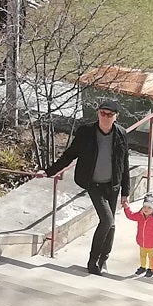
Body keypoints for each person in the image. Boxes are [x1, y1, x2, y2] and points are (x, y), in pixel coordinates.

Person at [44, 103, 133, 276]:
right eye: (102, 113)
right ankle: (93, 262)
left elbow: (124, 163)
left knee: (111, 225)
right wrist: (49, 172)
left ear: (116, 116)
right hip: (93, 184)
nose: (105, 117)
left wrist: (125, 192)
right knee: (107, 221)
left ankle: (103, 259)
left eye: (109, 114)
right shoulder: (86, 132)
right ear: (98, 114)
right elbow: (70, 155)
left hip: (113, 185)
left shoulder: (121, 134)